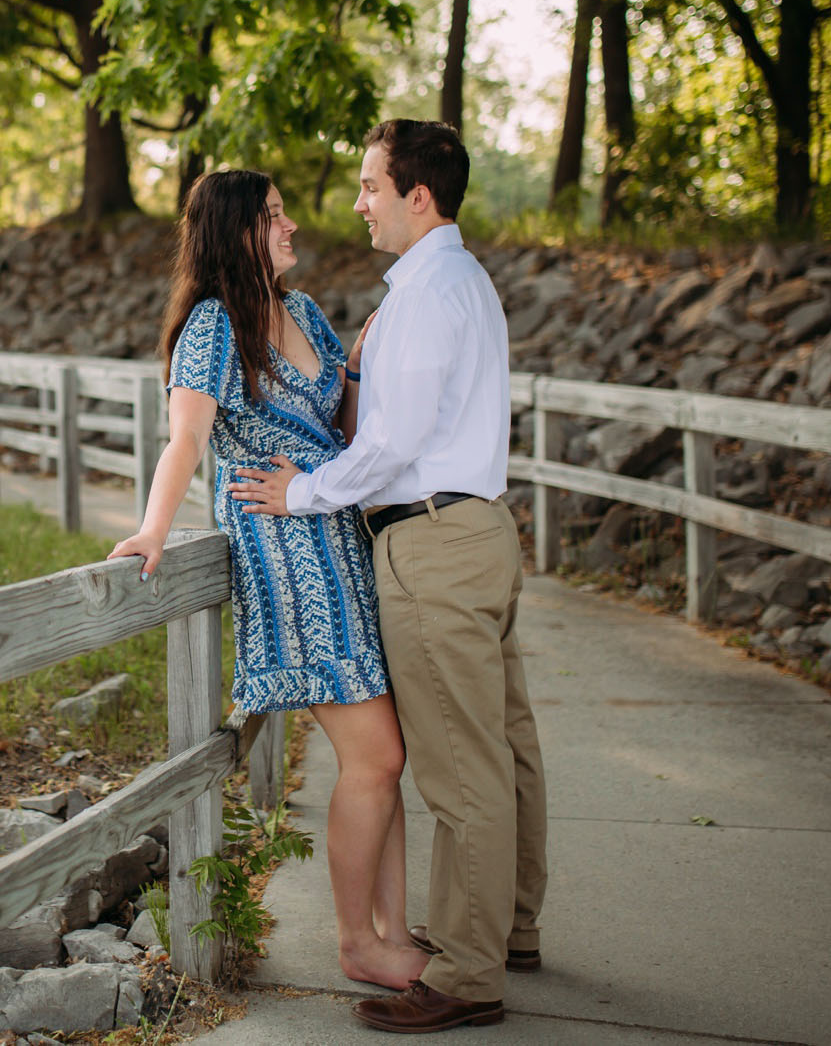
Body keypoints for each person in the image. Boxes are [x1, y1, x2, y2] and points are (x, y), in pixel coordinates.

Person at [227, 119, 547, 1035]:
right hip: (482, 529)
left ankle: (471, 971)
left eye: (371, 185)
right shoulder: (466, 280)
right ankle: (512, 924)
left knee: (461, 764)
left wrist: (301, 492)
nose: (358, 202)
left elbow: (391, 446)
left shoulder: (423, 293)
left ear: (418, 194)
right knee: (507, 743)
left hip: (434, 542)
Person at [108, 168, 429, 991]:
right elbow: (186, 439)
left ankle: (393, 927)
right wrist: (153, 527)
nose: (292, 228)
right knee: (378, 754)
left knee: (385, 754)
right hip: (285, 554)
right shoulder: (215, 325)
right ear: (237, 232)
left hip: (339, 539)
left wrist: (360, 362)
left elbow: (344, 423)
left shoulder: (308, 312)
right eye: (275, 217)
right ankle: (358, 940)